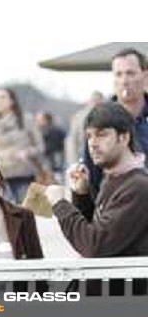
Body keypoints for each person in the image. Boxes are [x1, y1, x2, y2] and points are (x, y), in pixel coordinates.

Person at [45, 102, 148, 258]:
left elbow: (93, 245)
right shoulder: (114, 178)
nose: (92, 143)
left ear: (124, 137)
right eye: (89, 136)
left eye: (101, 134)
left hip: (124, 282)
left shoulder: (138, 187)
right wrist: (82, 195)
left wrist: (60, 204)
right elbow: (95, 229)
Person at [81, 48, 148, 196]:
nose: (124, 81)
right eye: (118, 74)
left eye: (130, 73)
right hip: (114, 209)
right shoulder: (98, 119)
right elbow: (92, 176)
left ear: (145, 75)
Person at [0, 87, 45, 204]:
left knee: (26, 212)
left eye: (3, 97)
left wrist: (26, 152)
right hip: (0, 174)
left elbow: (40, 147)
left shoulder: (26, 119)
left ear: (12, 100)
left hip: (24, 172)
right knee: (3, 213)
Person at [65, 91, 104, 168]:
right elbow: (72, 140)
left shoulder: (106, 117)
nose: (95, 103)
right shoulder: (79, 117)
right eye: (94, 100)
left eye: (98, 101)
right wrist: (73, 162)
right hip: (82, 156)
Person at [36, 111, 66, 176]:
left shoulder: (53, 131)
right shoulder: (40, 131)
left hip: (53, 162)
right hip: (51, 162)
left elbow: (51, 147)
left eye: (39, 120)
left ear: (46, 120)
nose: (37, 122)